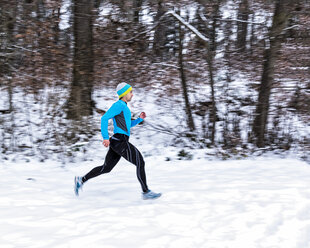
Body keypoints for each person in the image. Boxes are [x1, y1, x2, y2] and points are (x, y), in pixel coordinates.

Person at [74, 83, 161, 200]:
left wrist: (139, 119)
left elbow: (128, 125)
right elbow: (104, 118)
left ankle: (81, 180)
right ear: (124, 94)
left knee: (106, 168)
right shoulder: (119, 105)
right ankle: (146, 192)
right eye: (130, 92)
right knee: (140, 162)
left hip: (117, 141)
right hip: (120, 141)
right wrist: (105, 137)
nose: (132, 94)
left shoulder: (124, 107)